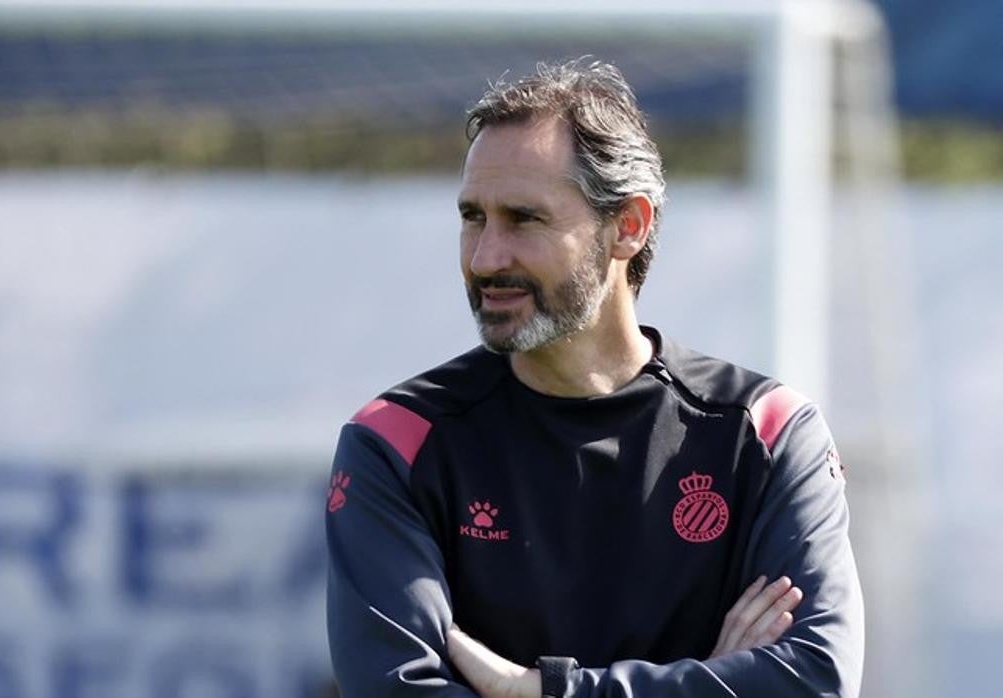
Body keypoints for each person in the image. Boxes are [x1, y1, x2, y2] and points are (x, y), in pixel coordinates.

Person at [324, 59, 864, 698]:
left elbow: (814, 680)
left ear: (627, 226)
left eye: (524, 219)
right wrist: (715, 682)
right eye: (473, 217)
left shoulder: (768, 432)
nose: (485, 256)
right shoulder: (394, 442)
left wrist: (544, 691)